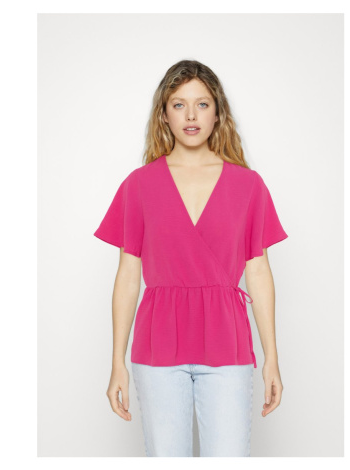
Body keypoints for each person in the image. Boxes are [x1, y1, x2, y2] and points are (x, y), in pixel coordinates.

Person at [93, 60, 289, 457]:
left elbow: (258, 270)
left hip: (227, 343)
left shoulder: (248, 185)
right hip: (158, 343)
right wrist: (117, 361)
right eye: (179, 104)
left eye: (202, 104)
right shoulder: (139, 185)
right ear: (164, 114)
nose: (191, 115)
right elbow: (128, 275)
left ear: (217, 113)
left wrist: (272, 357)